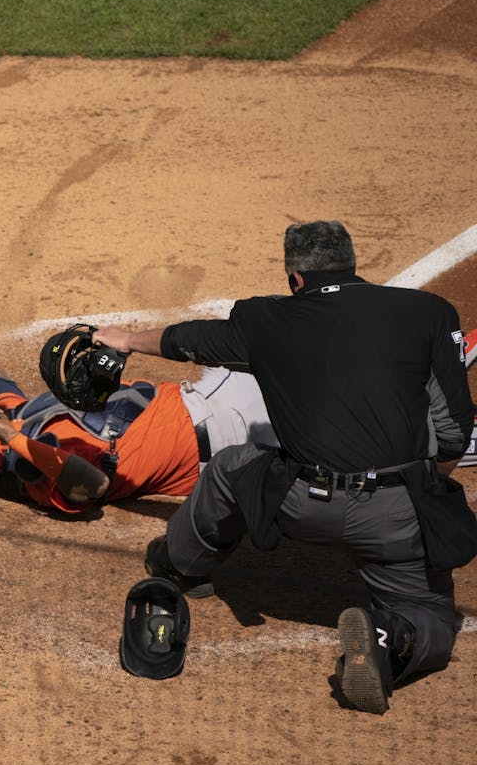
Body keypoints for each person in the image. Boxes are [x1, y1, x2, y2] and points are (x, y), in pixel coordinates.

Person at [93, 219, 475, 714]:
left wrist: (126, 339)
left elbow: (192, 340)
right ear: (354, 262)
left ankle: (183, 567)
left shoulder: (264, 320)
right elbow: (452, 433)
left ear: (294, 277)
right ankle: (392, 637)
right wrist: (423, 483)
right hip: (394, 516)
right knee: (432, 615)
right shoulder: (428, 313)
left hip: (301, 504)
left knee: (231, 467)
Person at [0, 212, 276, 518]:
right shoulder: (36, 477)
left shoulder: (15, 416)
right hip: (224, 430)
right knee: (289, 346)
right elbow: (94, 484)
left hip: (205, 401)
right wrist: (14, 439)